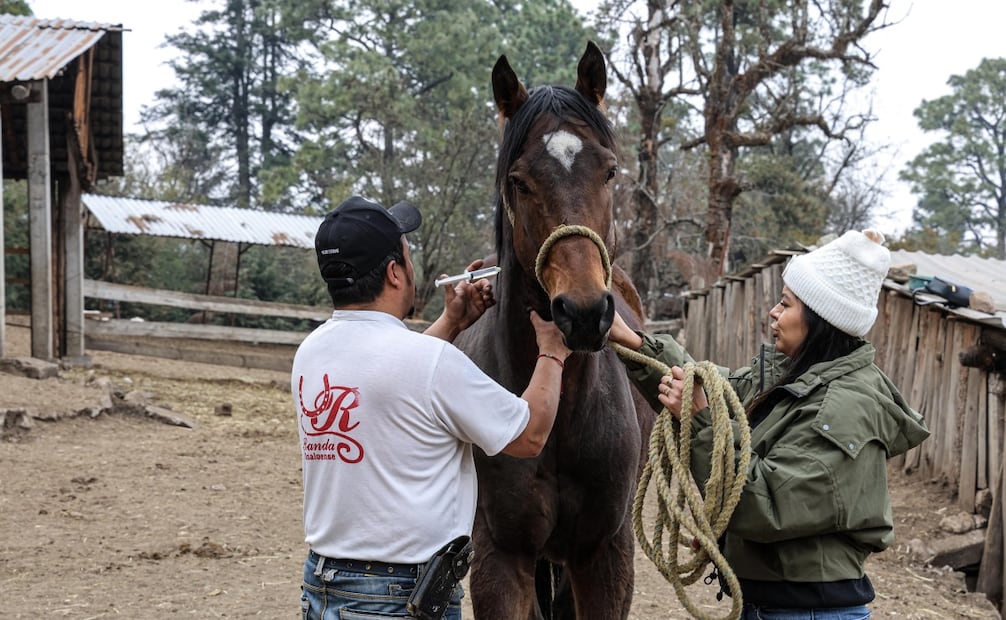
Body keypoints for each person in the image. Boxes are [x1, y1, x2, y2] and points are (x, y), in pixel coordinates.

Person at [608, 229, 930, 620]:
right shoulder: (793, 374)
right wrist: (635, 342)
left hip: (804, 614)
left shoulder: (842, 407)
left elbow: (769, 504)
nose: (774, 313)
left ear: (821, 317)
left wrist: (699, 418)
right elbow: (721, 387)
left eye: (785, 304)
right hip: (775, 605)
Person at [292, 195, 570, 620]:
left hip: (324, 584)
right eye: (407, 254)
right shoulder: (432, 364)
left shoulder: (311, 353)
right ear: (394, 273)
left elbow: (393, 376)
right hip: (401, 594)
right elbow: (528, 434)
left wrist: (454, 322)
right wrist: (552, 352)